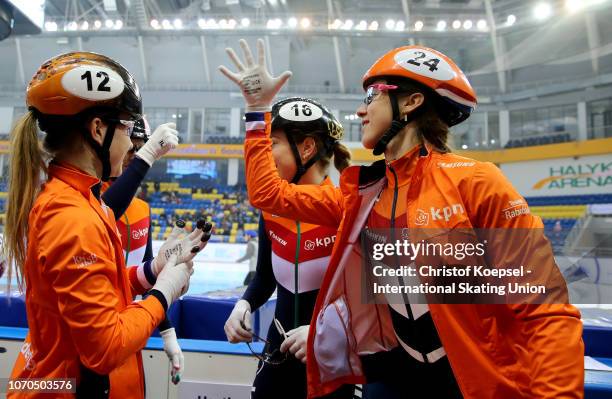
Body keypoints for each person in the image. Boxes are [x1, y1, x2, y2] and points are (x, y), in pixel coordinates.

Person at [219, 39, 584, 399]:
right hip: (389, 378)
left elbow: (544, 310)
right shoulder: (361, 194)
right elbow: (269, 195)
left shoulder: (475, 182)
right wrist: (256, 110)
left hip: (467, 381)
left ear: (410, 101)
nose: (361, 112)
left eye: (371, 97)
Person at [2, 52, 207, 399]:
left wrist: (152, 271)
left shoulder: (78, 199)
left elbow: (97, 293)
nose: (130, 142)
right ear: (98, 129)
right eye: (127, 128)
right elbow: (105, 349)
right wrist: (164, 293)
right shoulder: (73, 217)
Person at [223, 95, 354, 399]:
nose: (264, 158)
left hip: (329, 357)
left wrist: (325, 330)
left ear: (306, 148)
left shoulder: (346, 209)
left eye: (272, 145)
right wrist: (243, 305)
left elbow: (368, 297)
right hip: (277, 352)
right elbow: (266, 277)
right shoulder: (270, 211)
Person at [102, 116, 213, 385]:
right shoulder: (94, 201)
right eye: (129, 148)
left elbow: (147, 274)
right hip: (102, 332)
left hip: (130, 331)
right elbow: (102, 212)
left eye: (140, 148)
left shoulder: (142, 209)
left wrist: (168, 334)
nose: (133, 155)